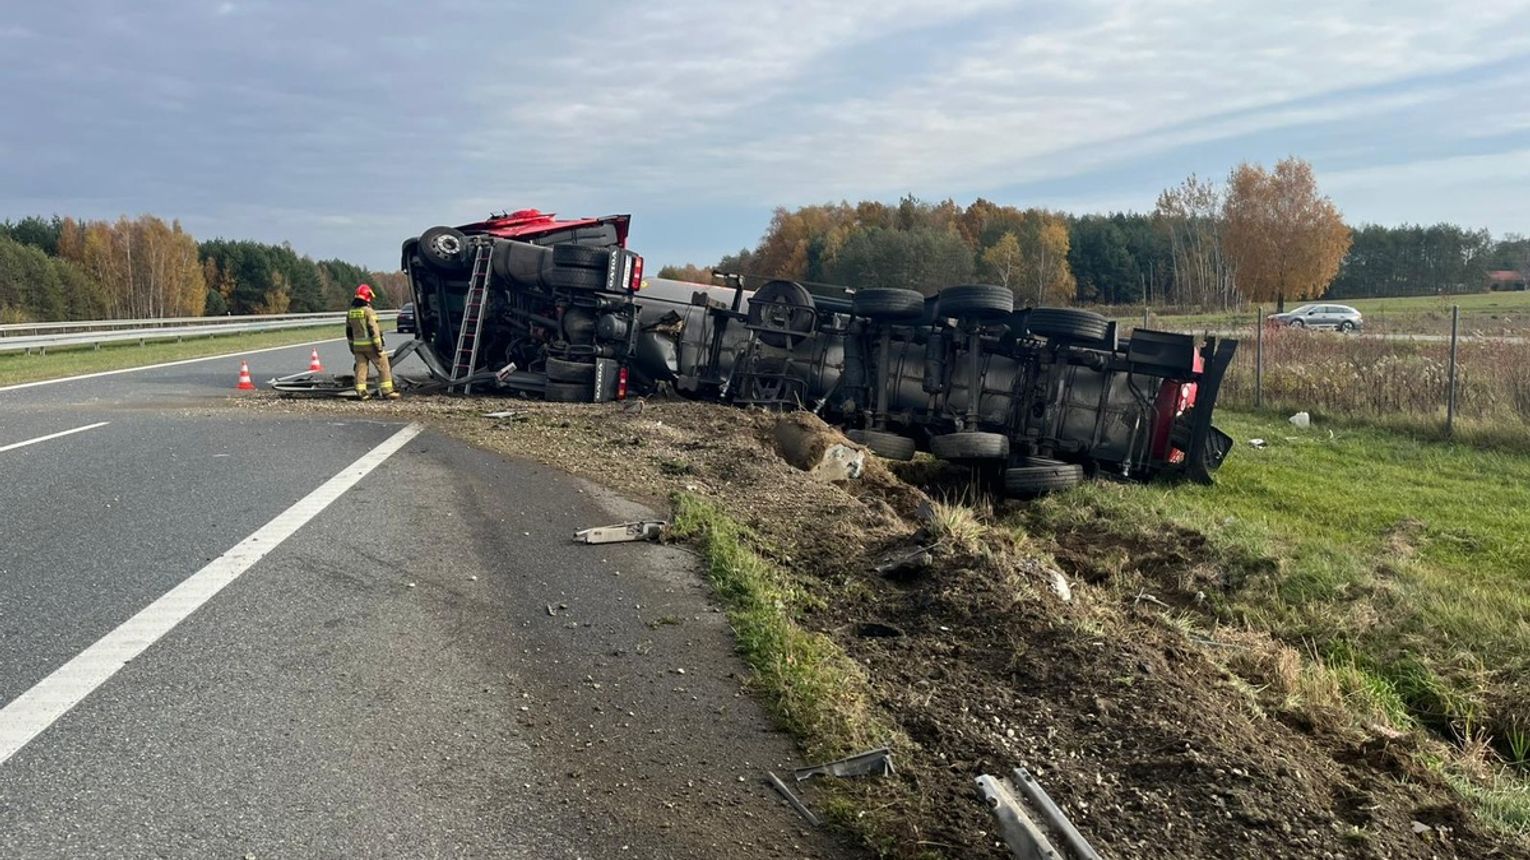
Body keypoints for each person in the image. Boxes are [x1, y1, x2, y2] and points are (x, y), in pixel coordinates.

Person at [347, 284, 399, 400]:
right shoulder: (368, 312)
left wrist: (352, 347)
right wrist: (378, 346)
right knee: (383, 365)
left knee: (361, 368)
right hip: (370, 346)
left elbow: (349, 332)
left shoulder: (351, 312)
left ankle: (361, 392)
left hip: (357, 347)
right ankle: (387, 391)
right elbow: (373, 330)